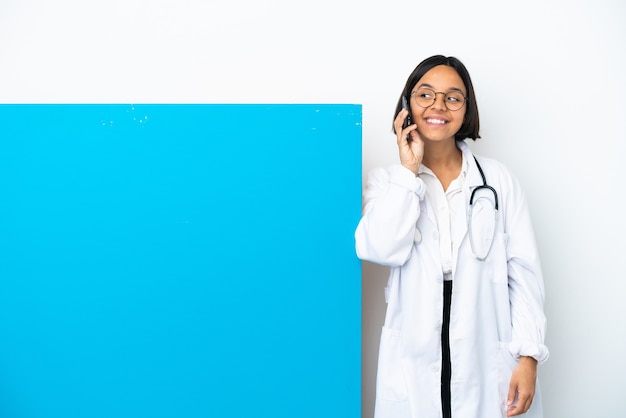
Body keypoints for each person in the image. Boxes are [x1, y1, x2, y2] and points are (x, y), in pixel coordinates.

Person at [355, 55, 548, 418]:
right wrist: (409, 173)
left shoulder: (498, 182)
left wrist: (528, 356)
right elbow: (377, 248)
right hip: (415, 351)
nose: (438, 106)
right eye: (425, 95)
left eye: (452, 97)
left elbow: (523, 276)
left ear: (466, 109)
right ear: (407, 105)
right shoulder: (389, 182)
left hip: (484, 346)